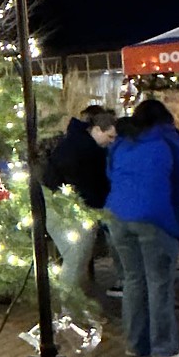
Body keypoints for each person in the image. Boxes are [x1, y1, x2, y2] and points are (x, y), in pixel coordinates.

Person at [103, 98, 179, 357]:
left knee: (133, 280)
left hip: (117, 215)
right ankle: (164, 348)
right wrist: (177, 202)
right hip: (154, 216)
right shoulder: (169, 140)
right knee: (159, 283)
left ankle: (135, 344)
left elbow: (112, 175)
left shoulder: (122, 142)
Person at [40, 106, 119, 304]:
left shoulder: (77, 143)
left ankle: (74, 306)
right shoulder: (86, 151)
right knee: (76, 259)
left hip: (66, 206)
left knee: (78, 260)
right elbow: (88, 184)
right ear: (97, 130)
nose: (111, 142)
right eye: (109, 137)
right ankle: (66, 308)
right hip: (69, 209)